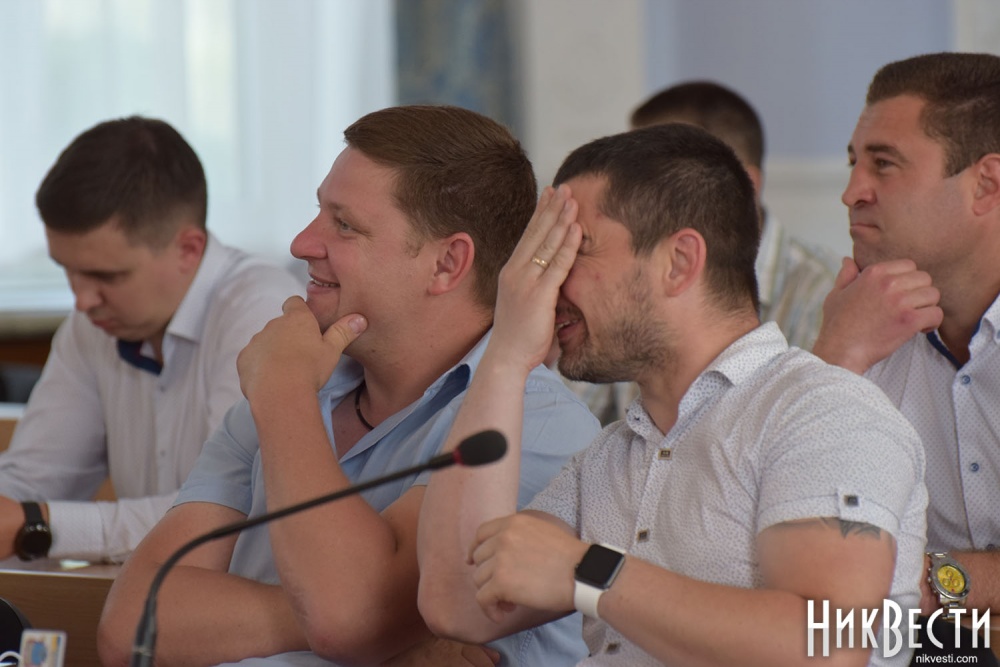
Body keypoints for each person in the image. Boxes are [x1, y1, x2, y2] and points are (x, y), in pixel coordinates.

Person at [97, 105, 599, 667]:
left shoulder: (535, 424)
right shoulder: (291, 381)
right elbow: (131, 627)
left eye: (344, 225)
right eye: (318, 212)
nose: (301, 243)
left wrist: (285, 397)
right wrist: (359, 622)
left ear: (447, 263)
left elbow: (347, 617)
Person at [417, 123, 928, 666]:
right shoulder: (606, 460)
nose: (549, 285)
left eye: (575, 251)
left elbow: (831, 646)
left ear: (679, 262)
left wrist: (591, 572)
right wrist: (505, 355)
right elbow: (458, 605)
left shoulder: (822, 412)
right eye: (546, 260)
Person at [0, 116, 301, 564]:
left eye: (107, 275)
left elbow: (225, 515)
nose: (81, 299)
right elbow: (32, 480)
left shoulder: (263, 310)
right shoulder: (91, 323)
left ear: (188, 249)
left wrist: (38, 525)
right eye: (68, 269)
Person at [811, 52, 1000, 662]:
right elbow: (784, 554)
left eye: (883, 164)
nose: (851, 193)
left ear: (986, 185)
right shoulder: (860, 332)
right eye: (853, 163)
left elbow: (869, 590)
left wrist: (927, 581)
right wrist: (834, 360)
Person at [563, 81, 838, 425]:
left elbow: (802, 426)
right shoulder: (619, 285)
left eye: (655, 172)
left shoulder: (822, 291)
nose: (632, 187)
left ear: (744, 183)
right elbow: (570, 432)